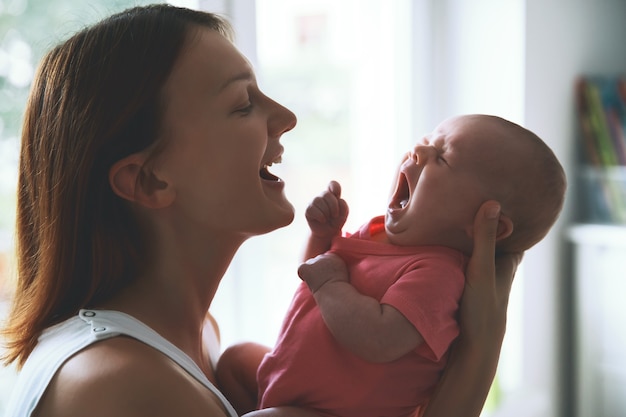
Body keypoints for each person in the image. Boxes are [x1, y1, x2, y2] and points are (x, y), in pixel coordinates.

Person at [0, 4, 522, 417]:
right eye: (242, 104)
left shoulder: (195, 341)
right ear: (150, 179)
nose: (287, 117)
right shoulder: (124, 388)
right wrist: (479, 352)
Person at [216, 114, 566, 417]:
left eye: (441, 158)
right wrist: (322, 238)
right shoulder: (376, 234)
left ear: (485, 224)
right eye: (427, 142)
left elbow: (379, 338)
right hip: (290, 383)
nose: (419, 151)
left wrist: (332, 284)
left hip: (335, 412)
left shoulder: (438, 275)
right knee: (234, 360)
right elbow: (313, 279)